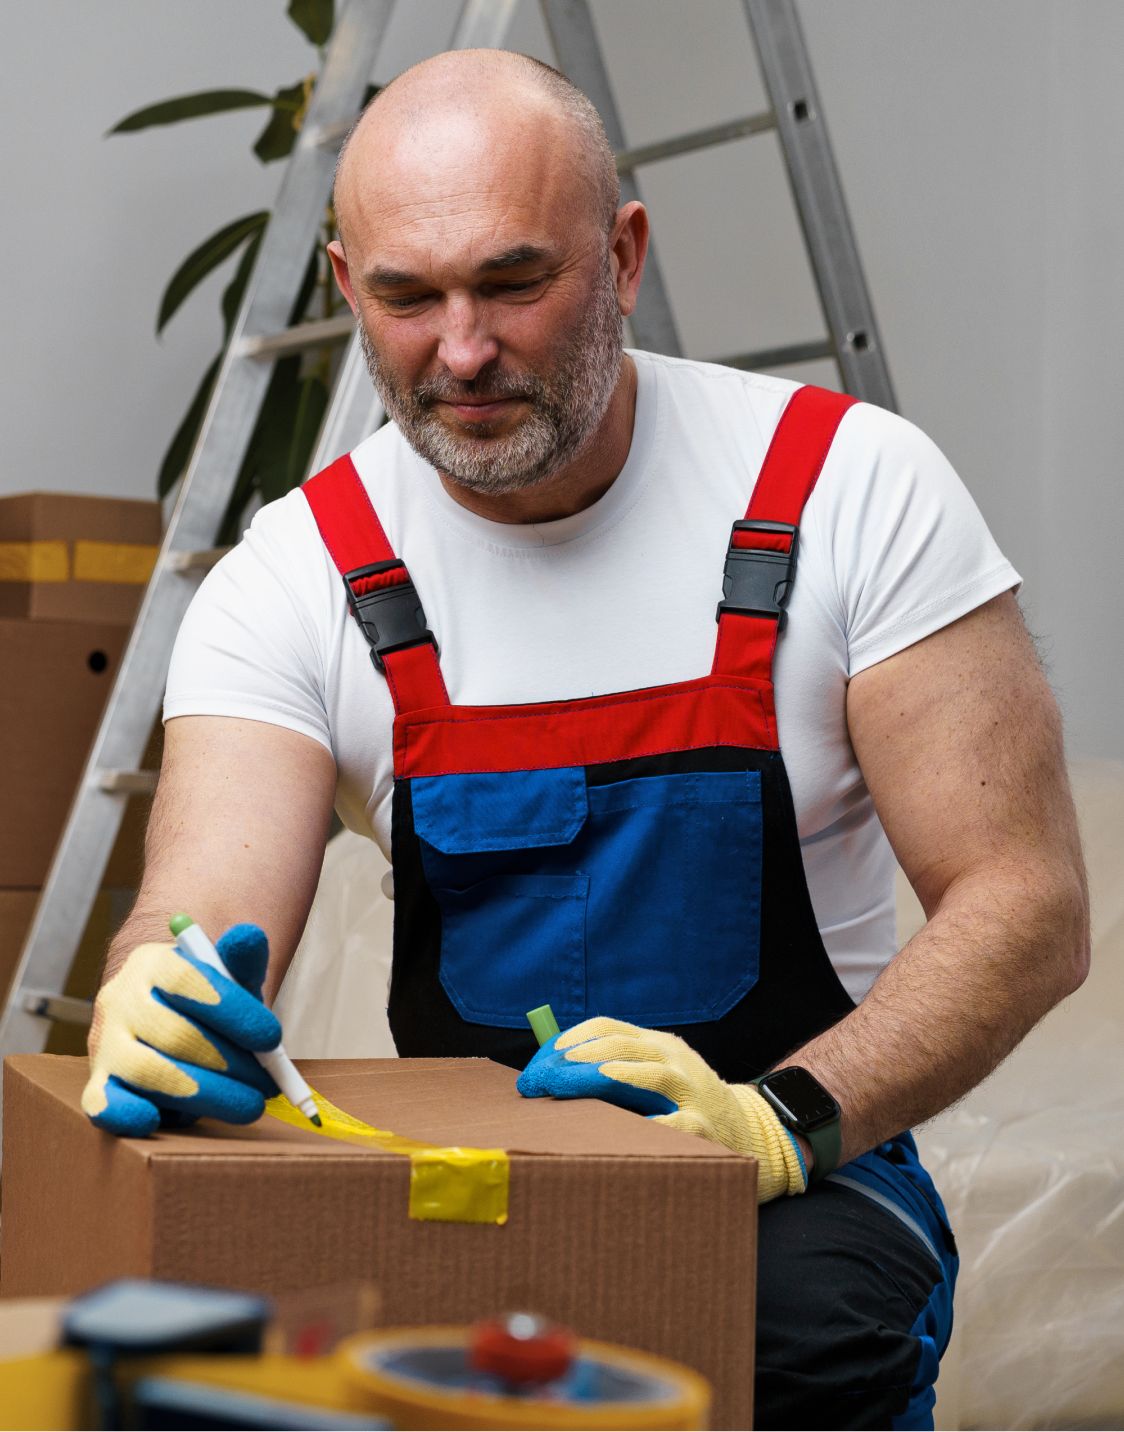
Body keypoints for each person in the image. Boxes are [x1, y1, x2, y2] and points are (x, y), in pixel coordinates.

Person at [82, 48, 1088, 1428]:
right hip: (464, 1186)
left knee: (800, 1330)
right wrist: (151, 988)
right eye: (408, 297)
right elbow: (195, 909)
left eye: (513, 283)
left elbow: (1027, 903)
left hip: (799, 1162)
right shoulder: (298, 574)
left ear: (621, 255)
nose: (462, 350)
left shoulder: (849, 487)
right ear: (345, 289)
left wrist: (778, 1121)